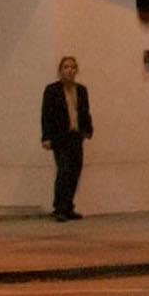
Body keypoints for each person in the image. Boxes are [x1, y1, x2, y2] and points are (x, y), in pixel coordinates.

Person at [39, 55, 93, 221]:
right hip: (60, 137)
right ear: (60, 71)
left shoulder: (81, 90)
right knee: (63, 171)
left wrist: (88, 130)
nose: (69, 70)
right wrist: (46, 137)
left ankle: (69, 206)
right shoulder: (52, 90)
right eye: (66, 67)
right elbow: (46, 114)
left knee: (75, 171)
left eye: (72, 67)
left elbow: (85, 112)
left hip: (76, 136)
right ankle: (59, 207)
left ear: (76, 70)